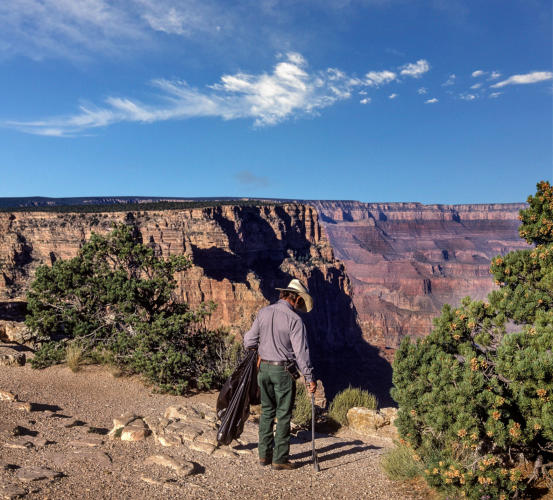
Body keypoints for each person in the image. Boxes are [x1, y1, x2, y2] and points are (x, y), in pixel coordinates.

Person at [243, 278, 317, 470]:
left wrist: (262, 348)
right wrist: (309, 378)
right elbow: (301, 353)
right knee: (283, 414)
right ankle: (280, 459)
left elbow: (248, 340)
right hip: (283, 372)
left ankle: (263, 455)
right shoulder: (295, 320)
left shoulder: (264, 312)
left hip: (264, 370)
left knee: (267, 412)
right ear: (297, 299)